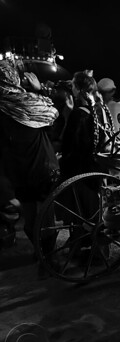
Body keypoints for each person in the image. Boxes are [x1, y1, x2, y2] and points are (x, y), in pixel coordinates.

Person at [0, 60, 60, 247]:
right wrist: (38, 90)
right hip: (43, 168)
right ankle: (47, 258)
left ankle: (39, 253)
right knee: (47, 219)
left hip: (18, 172)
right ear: (14, 77)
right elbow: (52, 113)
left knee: (30, 218)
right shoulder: (30, 102)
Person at [59, 70, 113, 179]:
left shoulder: (78, 113)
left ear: (78, 89)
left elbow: (68, 144)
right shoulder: (101, 110)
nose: (71, 88)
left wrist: (68, 113)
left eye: (73, 85)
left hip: (80, 171)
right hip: (98, 168)